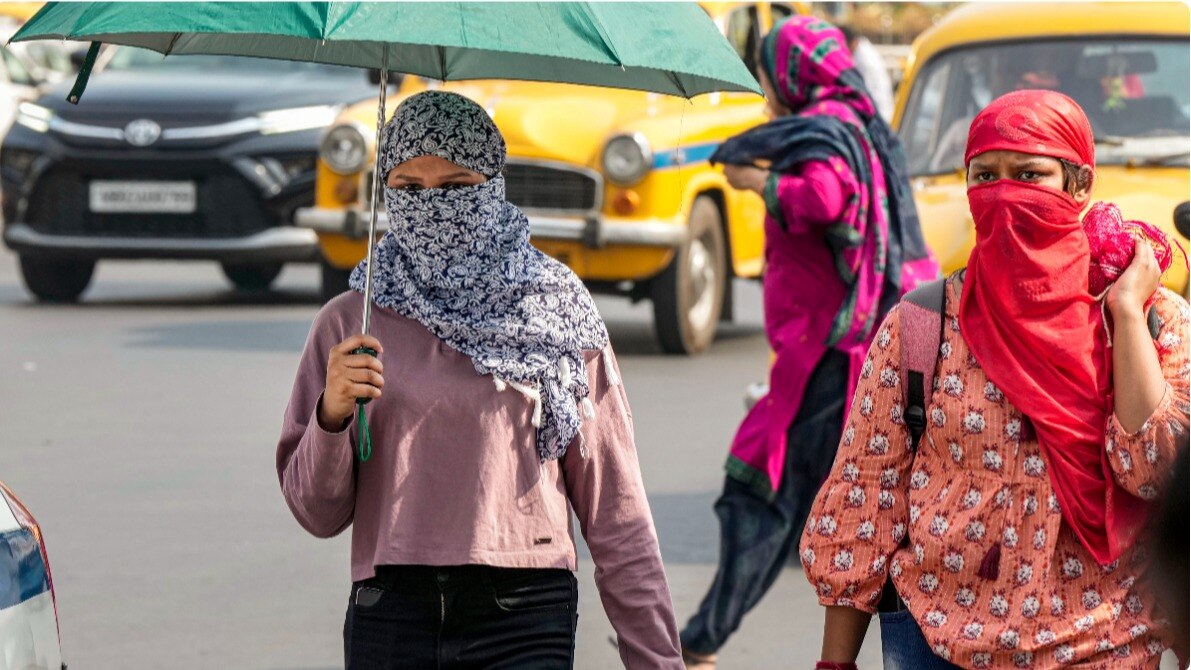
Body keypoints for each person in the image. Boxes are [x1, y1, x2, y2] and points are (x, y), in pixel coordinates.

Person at [276, 90, 683, 670]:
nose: (432, 206)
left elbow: (616, 510)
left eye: (456, 186)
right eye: (410, 189)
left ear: (494, 184)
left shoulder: (555, 310)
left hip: (523, 611)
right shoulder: (351, 321)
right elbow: (316, 513)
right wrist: (332, 414)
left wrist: (657, 660)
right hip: (392, 611)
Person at [802, 90, 1190, 669]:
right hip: (939, 638)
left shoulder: (1155, 320)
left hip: (1102, 641)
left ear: (1080, 185)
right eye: (985, 175)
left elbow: (1157, 471)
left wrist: (1128, 315)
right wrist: (835, 664)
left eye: (1029, 173)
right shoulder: (923, 326)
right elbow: (865, 499)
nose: (1005, 193)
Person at [678, 17, 938, 668]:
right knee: (868, 505)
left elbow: (825, 199)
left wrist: (757, 183)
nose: (765, 86)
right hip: (850, 344)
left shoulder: (822, 131)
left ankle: (694, 643)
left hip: (828, 351)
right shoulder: (859, 121)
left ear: (791, 75)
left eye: (767, 72)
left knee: (761, 492)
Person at [839, 25, 895, 122]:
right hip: (880, 112)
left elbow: (862, 92)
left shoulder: (863, 59)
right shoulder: (863, 51)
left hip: (878, 114)